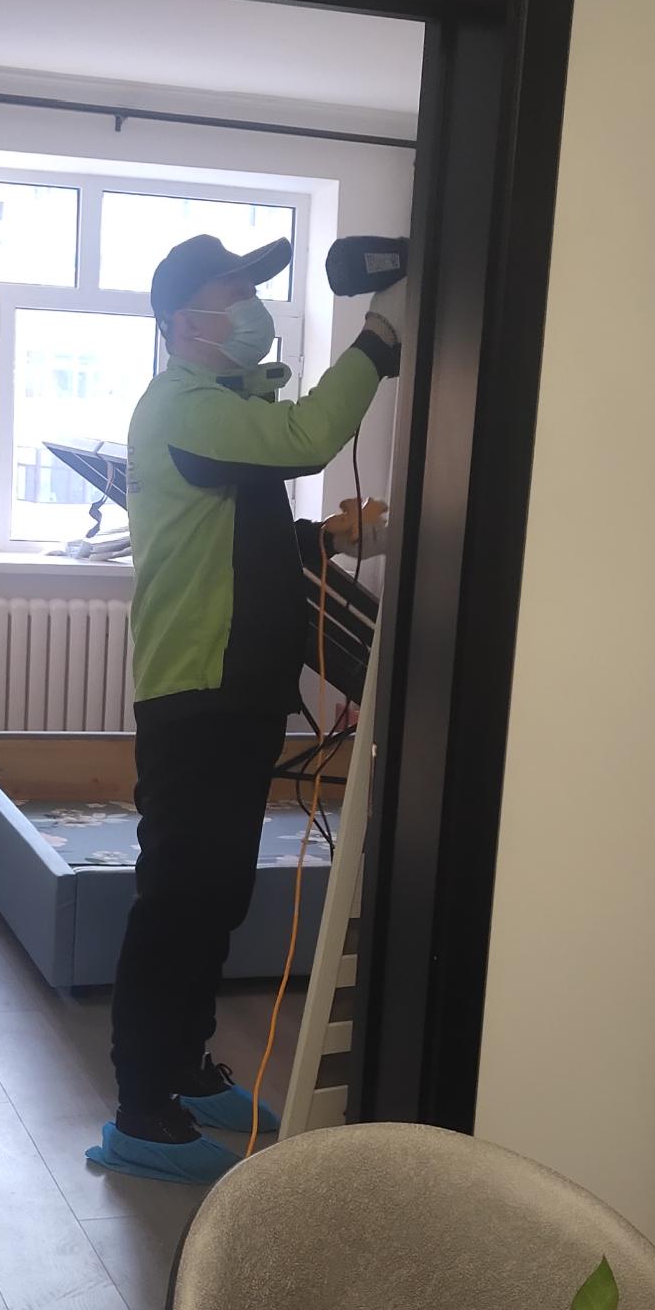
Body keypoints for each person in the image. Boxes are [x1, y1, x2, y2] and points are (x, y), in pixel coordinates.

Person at [86, 231, 404, 1183]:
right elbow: (308, 438)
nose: (253, 309)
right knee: (176, 899)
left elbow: (249, 540)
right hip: (197, 688)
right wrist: (381, 336)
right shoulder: (183, 406)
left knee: (217, 894)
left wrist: (332, 539)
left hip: (242, 686)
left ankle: (185, 1071)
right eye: (236, 292)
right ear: (187, 321)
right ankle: (139, 1113)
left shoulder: (223, 410)